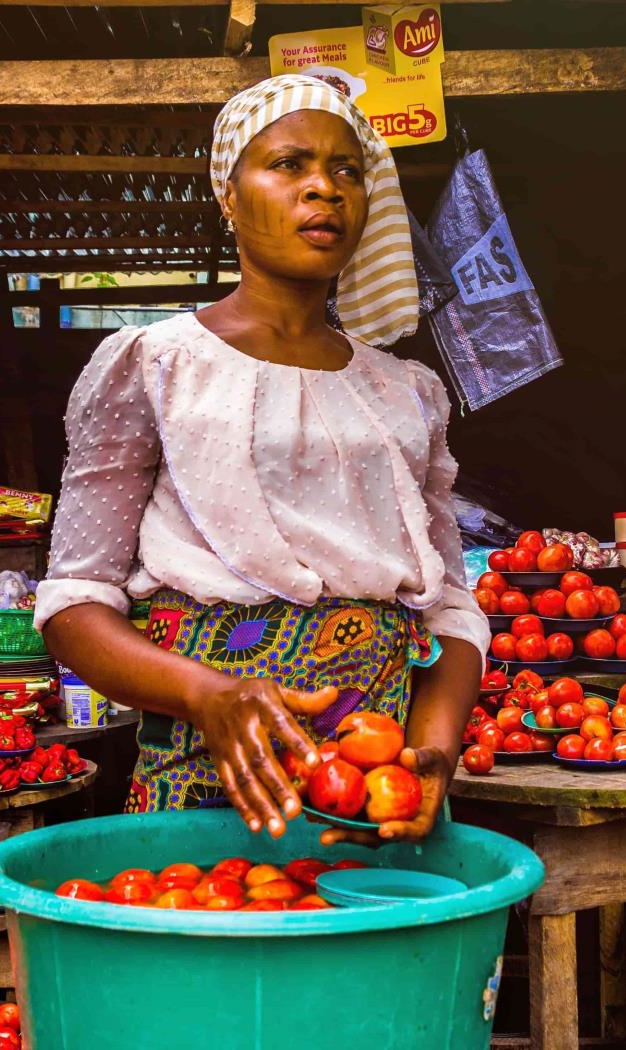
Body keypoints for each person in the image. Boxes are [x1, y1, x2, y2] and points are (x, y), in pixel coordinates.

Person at [36, 74, 489, 846]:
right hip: (206, 773)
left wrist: (432, 755)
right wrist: (210, 696)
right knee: (212, 948)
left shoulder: (407, 392)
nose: (325, 187)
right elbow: (75, 604)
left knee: (376, 961)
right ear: (229, 195)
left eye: (348, 170)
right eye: (289, 164)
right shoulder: (155, 364)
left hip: (377, 793)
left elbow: (449, 608)